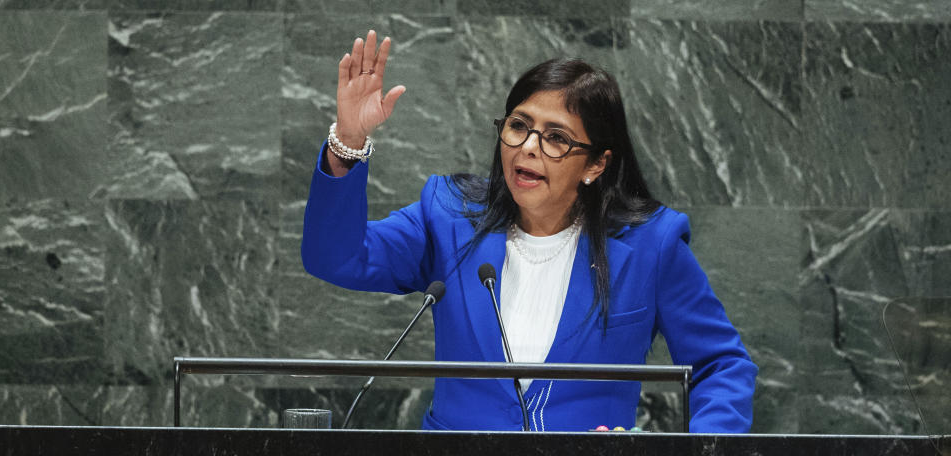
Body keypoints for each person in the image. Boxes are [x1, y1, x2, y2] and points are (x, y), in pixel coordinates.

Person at [302, 30, 757, 433]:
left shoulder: (650, 245)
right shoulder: (448, 216)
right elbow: (336, 257)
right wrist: (349, 140)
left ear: (596, 164)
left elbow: (721, 365)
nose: (528, 148)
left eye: (556, 137)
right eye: (518, 127)